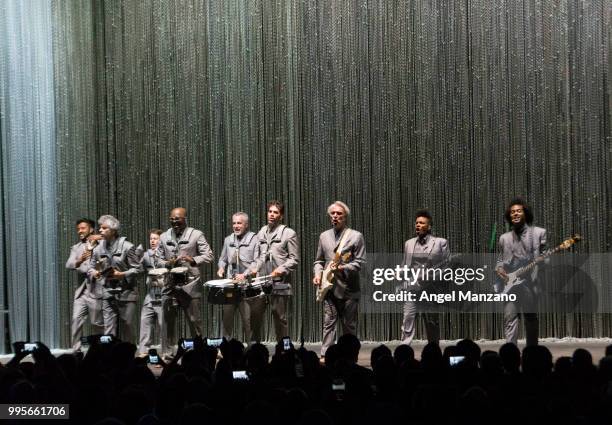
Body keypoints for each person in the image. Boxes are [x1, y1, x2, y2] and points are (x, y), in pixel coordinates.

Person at [158, 207, 214, 358]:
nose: (175, 222)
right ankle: (168, 354)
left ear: (185, 218)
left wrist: (193, 259)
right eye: (172, 219)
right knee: (167, 322)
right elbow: (157, 259)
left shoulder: (196, 235)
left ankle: (199, 352)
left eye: (178, 219)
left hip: (190, 284)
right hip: (170, 283)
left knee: (195, 321)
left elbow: (209, 256)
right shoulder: (163, 237)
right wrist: (166, 263)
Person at [313, 201, 365, 358]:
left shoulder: (356, 236)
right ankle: (325, 356)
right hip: (329, 288)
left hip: (349, 289)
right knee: (328, 324)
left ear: (345, 217)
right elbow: (318, 261)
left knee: (349, 326)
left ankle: (350, 356)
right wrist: (317, 274)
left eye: (339, 214)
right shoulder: (324, 236)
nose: (335, 217)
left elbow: (360, 262)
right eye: (333, 214)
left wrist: (343, 267)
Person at [241, 200, 299, 341]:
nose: (272, 215)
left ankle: (284, 350)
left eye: (276, 212)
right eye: (270, 211)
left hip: (279, 282)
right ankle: (254, 349)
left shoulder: (288, 233)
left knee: (280, 319)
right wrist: (250, 271)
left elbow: (294, 259)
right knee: (255, 317)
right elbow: (260, 257)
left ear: (281, 216)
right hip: (261, 282)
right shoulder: (261, 232)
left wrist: (281, 269)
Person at [495, 198, 546, 347]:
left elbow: (545, 257)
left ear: (525, 213)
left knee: (530, 319)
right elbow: (500, 259)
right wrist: (499, 269)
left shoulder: (538, 233)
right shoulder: (504, 238)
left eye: (518, 211)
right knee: (510, 319)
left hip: (530, 283)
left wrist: (542, 260)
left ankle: (532, 354)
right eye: (512, 212)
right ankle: (511, 353)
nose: (515, 214)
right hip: (510, 284)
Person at [87, 215, 141, 342]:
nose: (100, 230)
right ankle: (110, 356)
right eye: (100, 227)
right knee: (109, 328)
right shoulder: (98, 247)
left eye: (104, 228)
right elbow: (90, 267)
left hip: (126, 292)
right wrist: (94, 272)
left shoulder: (128, 246)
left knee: (127, 326)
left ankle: (129, 355)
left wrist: (121, 274)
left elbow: (138, 269)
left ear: (113, 230)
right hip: (107, 291)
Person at [401, 209, 450, 345]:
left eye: (422, 223)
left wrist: (430, 278)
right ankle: (404, 350)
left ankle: (433, 351)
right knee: (408, 319)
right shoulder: (408, 243)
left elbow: (446, 268)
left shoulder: (440, 243)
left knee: (431, 323)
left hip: (431, 290)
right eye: (416, 223)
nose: (418, 225)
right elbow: (405, 265)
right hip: (412, 289)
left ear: (429, 226)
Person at [217, 212, 262, 342]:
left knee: (248, 320)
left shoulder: (254, 239)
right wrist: (221, 267)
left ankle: (251, 348)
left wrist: (245, 274)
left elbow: (257, 261)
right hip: (231, 286)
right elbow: (222, 259)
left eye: (239, 223)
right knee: (226, 318)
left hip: (247, 287)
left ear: (246, 225)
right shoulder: (228, 240)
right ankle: (224, 347)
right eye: (234, 223)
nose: (236, 226)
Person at [65, 218, 103, 350]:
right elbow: (69, 264)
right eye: (78, 229)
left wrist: (98, 237)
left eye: (83, 228)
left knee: (96, 323)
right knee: (76, 319)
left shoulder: (101, 244)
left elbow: (110, 236)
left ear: (91, 229)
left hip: (97, 289)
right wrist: (79, 260)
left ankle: (100, 351)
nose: (79, 231)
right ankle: (76, 351)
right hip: (82, 292)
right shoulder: (76, 248)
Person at [137, 229, 165, 356]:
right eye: (151, 238)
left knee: (162, 326)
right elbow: (138, 270)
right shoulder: (146, 255)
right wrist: (137, 257)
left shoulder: (165, 255)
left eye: (155, 238)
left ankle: (164, 353)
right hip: (150, 294)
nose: (152, 241)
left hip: (163, 293)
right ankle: (143, 352)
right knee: (145, 322)